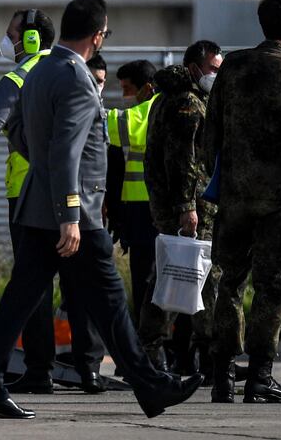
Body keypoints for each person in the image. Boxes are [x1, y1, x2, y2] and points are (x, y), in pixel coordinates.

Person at [0, 0, 201, 420]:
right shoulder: (76, 78)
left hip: (40, 207)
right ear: (97, 36)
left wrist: (43, 175)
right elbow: (66, 152)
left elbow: (20, 131)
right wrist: (70, 216)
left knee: (24, 303)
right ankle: (152, 387)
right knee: (108, 301)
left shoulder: (36, 71)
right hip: (73, 214)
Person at [0, 9, 105, 394]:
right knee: (83, 281)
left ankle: (39, 369)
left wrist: (15, 129)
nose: (6, 39)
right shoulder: (74, 71)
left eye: (12, 33)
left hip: (29, 195)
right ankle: (90, 369)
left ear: (29, 39)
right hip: (78, 193)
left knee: (33, 285)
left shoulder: (20, 76)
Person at [205, 0, 281, 404]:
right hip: (276, 202)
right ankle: (260, 377)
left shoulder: (232, 65)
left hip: (233, 198)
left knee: (228, 283)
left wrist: (214, 183)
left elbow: (210, 130)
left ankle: (221, 377)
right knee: (272, 285)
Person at [141, 40, 223, 377]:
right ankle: (151, 351)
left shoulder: (173, 97)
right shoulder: (186, 103)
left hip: (180, 205)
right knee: (178, 278)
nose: (217, 75)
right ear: (194, 68)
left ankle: (206, 355)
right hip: (187, 209)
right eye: (213, 69)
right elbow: (184, 160)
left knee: (188, 277)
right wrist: (187, 207)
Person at [108, 60, 161, 349]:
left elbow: (113, 126)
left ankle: (148, 348)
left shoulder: (151, 111)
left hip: (146, 209)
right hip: (140, 209)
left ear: (147, 88)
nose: (125, 95)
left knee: (146, 282)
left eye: (128, 89)